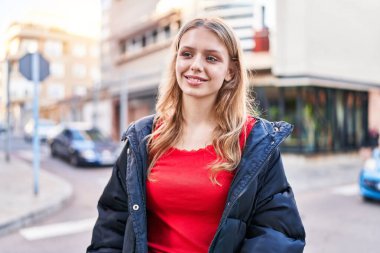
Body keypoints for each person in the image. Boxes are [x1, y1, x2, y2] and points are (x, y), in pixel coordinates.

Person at [87, 17, 305, 253]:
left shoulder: (255, 141)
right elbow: (111, 224)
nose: (196, 65)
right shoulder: (143, 137)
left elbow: (278, 234)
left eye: (211, 58)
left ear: (230, 72)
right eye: (187, 54)